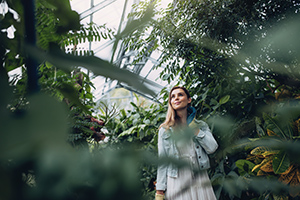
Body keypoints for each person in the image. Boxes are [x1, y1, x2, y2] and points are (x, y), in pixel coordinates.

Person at [155, 86, 218, 200]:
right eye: (173, 97)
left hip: (200, 178)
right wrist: (160, 191)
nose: (176, 98)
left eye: (180, 95)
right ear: (171, 102)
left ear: (189, 99)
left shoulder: (201, 125)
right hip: (176, 180)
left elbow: (212, 148)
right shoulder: (165, 131)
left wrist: (195, 129)